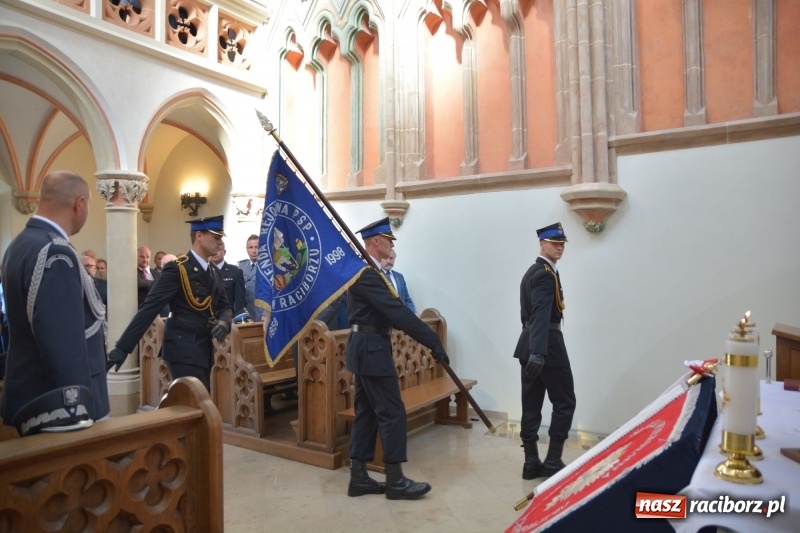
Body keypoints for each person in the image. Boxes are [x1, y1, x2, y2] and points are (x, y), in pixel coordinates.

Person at [345, 217, 449, 500]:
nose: (391, 245)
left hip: (366, 347)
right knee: (392, 413)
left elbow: (395, 312)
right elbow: (398, 312)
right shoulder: (368, 274)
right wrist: (432, 341)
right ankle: (395, 481)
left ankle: (358, 478)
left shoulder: (366, 271)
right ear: (375, 242)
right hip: (371, 349)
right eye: (389, 240)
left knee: (366, 413)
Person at [0, 170, 110, 434]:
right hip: (54, 407)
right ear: (79, 203)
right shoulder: (56, 252)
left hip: (32, 392)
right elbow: (62, 345)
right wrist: (78, 408)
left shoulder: (21, 244)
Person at [107, 216, 233, 391]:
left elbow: (225, 306)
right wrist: (123, 347)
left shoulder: (213, 271)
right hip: (182, 347)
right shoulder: (178, 268)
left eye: (221, 238)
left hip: (203, 346)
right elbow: (150, 308)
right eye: (216, 237)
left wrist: (224, 322)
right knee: (195, 402)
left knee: (198, 404)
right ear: (199, 236)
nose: (220, 243)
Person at [513, 222, 576, 480]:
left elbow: (525, 314)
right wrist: (539, 351)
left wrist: (532, 348)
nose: (559, 247)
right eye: (554, 242)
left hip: (528, 344)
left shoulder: (534, 271)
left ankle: (530, 464)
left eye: (562, 243)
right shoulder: (544, 274)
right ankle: (551, 461)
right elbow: (539, 313)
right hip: (547, 346)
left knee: (531, 405)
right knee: (564, 402)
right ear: (542, 244)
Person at [211, 241, 247, 316]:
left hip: (227, 319)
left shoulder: (235, 272)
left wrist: (238, 321)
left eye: (218, 249)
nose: (215, 253)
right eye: (213, 250)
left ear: (224, 252)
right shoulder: (204, 272)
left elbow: (240, 302)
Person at [238, 234, 263, 321]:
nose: (254, 251)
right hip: (245, 316)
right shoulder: (241, 266)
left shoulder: (267, 268)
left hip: (261, 315)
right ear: (247, 249)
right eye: (251, 247)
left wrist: (266, 314)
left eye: (256, 247)